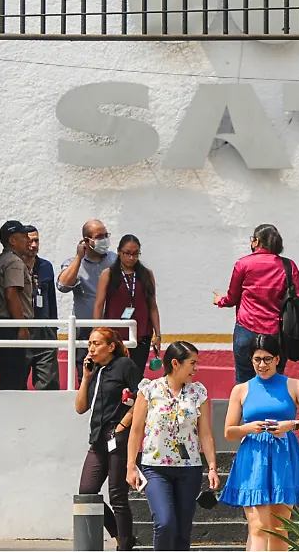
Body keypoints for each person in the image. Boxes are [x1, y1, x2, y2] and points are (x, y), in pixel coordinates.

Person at [220, 333, 299, 551]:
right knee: (259, 527)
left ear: (277, 359)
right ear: (251, 360)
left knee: (280, 528)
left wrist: (291, 425)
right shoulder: (241, 389)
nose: (262, 365)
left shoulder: (295, 385)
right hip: (253, 458)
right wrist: (248, 428)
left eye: (267, 359)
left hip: (284, 456)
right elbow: (229, 432)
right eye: (257, 359)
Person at [126, 342, 219, 551]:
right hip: (155, 468)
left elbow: (205, 433)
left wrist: (212, 467)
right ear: (175, 363)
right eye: (192, 363)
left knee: (182, 530)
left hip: (189, 468)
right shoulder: (149, 389)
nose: (196, 368)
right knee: (165, 523)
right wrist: (131, 465)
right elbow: (136, 430)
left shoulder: (198, 392)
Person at [214, 224, 299, 384]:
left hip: (246, 329)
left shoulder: (243, 264)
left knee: (244, 382)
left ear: (256, 241)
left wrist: (220, 301)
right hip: (276, 332)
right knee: (274, 381)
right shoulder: (288, 266)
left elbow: (232, 298)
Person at [75, 326, 142, 551]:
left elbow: (143, 397)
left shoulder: (124, 366)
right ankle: (121, 537)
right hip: (98, 438)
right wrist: (86, 378)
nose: (91, 349)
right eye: (89, 344)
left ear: (111, 346)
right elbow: (80, 408)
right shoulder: (95, 372)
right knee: (87, 492)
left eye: (96, 344)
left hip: (117, 437)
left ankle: (125, 545)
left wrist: (123, 425)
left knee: (117, 495)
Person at [58, 220, 118, 384]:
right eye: (99, 236)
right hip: (85, 331)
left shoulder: (115, 260)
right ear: (86, 240)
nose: (104, 240)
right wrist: (79, 257)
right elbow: (63, 286)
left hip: (111, 328)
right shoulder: (74, 263)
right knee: (86, 377)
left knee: (113, 378)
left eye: (106, 235)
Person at [95, 235, 162, 373]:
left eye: (135, 254)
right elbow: (99, 304)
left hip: (141, 335)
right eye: (127, 253)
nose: (131, 258)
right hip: (115, 337)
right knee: (115, 373)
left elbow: (152, 306)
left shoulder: (146, 274)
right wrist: (96, 332)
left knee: (136, 374)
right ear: (119, 252)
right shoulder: (108, 274)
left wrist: (158, 334)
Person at [0, 220, 35, 390]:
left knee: (8, 374)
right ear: (12, 240)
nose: (28, 240)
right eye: (23, 236)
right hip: (11, 327)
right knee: (15, 377)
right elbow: (11, 294)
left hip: (1, 325)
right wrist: (21, 327)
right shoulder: (14, 262)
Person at [25, 226, 61, 390]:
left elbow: (51, 301)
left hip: (44, 333)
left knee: (48, 386)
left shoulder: (45, 266)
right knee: (15, 386)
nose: (33, 245)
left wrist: (53, 330)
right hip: (21, 333)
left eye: (36, 240)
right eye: (29, 241)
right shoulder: (13, 266)